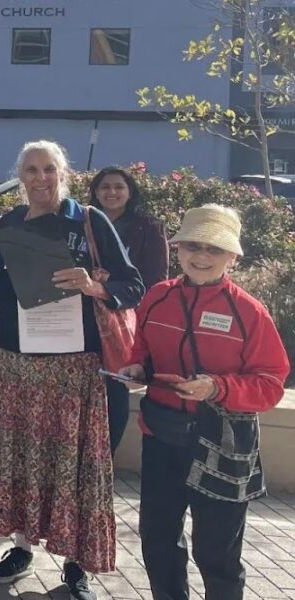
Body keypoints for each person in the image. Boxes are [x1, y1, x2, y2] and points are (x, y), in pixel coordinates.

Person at [0, 141, 145, 600]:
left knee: (73, 468)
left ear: (63, 173)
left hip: (74, 366)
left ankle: (74, 563)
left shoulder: (86, 220)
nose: (40, 177)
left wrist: (93, 286)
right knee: (20, 459)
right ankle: (22, 549)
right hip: (16, 362)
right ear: (20, 175)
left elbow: (133, 283)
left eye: (49, 169)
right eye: (31, 169)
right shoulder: (6, 224)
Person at [120, 204, 289, 600]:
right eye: (192, 245)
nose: (201, 256)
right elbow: (140, 348)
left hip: (223, 443)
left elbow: (271, 384)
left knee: (217, 553)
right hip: (161, 437)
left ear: (232, 257)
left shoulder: (250, 312)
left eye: (214, 249)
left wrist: (217, 387)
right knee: (158, 541)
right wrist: (134, 367)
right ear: (177, 248)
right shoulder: (157, 297)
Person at [90, 166, 169, 451]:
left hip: (126, 320)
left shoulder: (147, 227)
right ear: (96, 192)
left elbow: (156, 279)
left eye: (118, 187)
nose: (111, 192)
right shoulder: (85, 223)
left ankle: (106, 458)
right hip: (85, 319)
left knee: (115, 388)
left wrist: (113, 283)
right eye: (105, 187)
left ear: (130, 191)